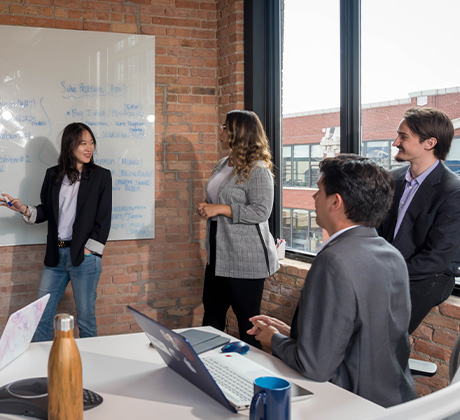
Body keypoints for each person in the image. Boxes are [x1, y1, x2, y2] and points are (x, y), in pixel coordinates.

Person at [248, 155, 417, 408]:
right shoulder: (392, 255)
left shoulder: (334, 261)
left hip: (350, 403)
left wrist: (272, 339)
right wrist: (293, 335)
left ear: (335, 202)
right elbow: (362, 337)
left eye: (319, 191)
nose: (314, 198)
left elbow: (315, 366)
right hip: (395, 401)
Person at [0, 122, 112, 342]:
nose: (89, 148)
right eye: (83, 143)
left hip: (84, 257)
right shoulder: (53, 175)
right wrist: (22, 208)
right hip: (55, 256)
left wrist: (91, 251)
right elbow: (46, 212)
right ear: (69, 145)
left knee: (86, 320)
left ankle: (91, 370)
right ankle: (43, 368)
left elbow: (104, 218)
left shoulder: (101, 176)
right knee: (41, 316)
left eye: (91, 143)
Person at [196, 110, 279, 347]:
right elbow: (217, 201)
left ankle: (250, 379)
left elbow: (262, 211)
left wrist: (221, 209)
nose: (220, 131)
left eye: (225, 127)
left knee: (247, 327)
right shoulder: (223, 163)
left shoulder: (258, 169)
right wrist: (207, 208)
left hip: (246, 260)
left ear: (239, 132)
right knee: (211, 320)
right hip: (218, 256)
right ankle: (207, 373)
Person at [378, 107, 460, 334]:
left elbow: (436, 258)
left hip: (430, 276)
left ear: (430, 143)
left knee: (383, 334)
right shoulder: (392, 179)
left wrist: (386, 272)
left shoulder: (453, 191)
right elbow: (374, 231)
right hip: (391, 267)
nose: (395, 142)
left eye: (403, 137)